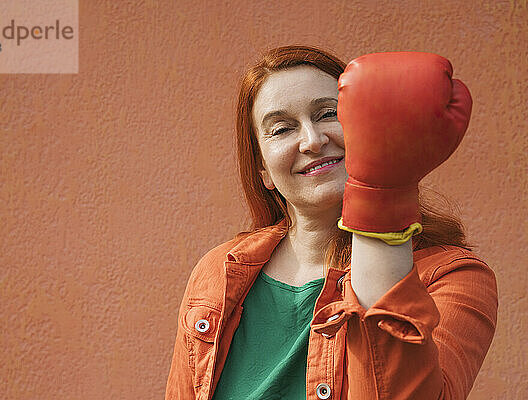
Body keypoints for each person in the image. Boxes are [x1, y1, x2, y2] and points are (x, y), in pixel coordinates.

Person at [165, 45, 498, 400]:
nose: (312, 140)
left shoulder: (453, 277)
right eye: (281, 129)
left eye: (328, 113)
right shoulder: (218, 272)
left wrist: (384, 191)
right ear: (263, 170)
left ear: (366, 121)